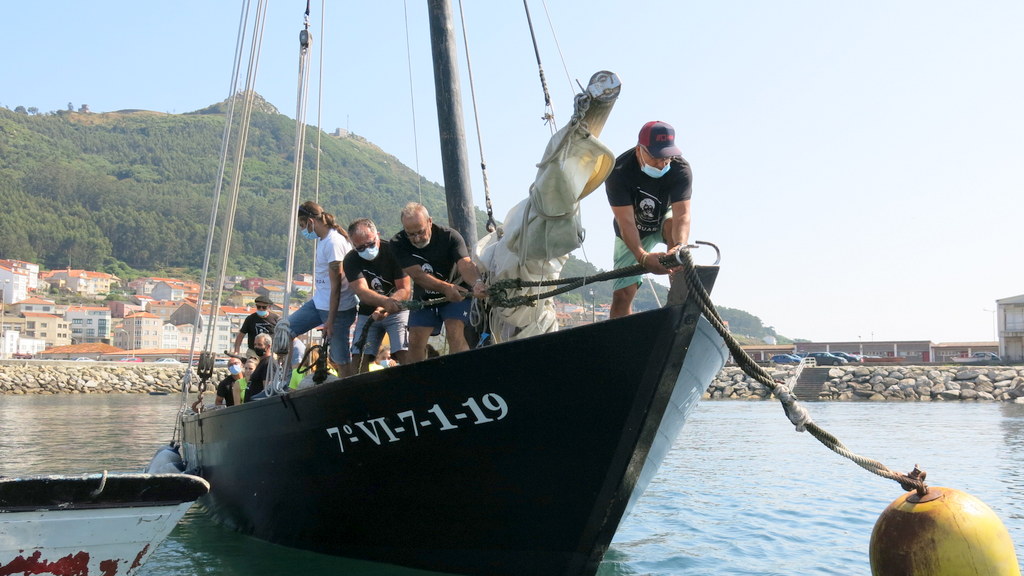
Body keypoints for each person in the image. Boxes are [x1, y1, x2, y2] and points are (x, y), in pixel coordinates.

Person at [605, 121, 692, 319]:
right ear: (639, 150)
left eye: (667, 157)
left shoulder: (680, 169)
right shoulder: (618, 172)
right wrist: (642, 256)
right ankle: (621, 334)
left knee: (674, 233)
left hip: (663, 218)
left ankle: (678, 300)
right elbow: (625, 221)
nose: (662, 163)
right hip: (632, 227)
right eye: (656, 158)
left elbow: (682, 214)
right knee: (622, 296)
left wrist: (679, 247)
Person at [390, 203, 487, 363]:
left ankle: (463, 372)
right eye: (411, 234)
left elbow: (465, 263)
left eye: (420, 232)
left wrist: (477, 283)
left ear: (430, 221)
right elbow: (418, 275)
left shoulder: (450, 236)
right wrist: (445, 288)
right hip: (426, 296)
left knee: (454, 330)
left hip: (458, 293)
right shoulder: (398, 242)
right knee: (415, 339)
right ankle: (417, 376)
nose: (417, 238)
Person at [286, 200, 359, 377]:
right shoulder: (324, 239)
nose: (303, 230)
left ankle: (347, 388)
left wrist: (330, 321)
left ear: (311, 221)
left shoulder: (334, 243)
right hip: (320, 303)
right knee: (285, 330)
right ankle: (284, 380)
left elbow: (337, 287)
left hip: (338, 309)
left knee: (340, 359)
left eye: (302, 225)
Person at [343, 218, 411, 372]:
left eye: (370, 244)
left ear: (377, 236)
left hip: (398, 309)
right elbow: (362, 292)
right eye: (360, 248)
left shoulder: (394, 252)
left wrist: (387, 305)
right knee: (358, 360)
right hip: (368, 313)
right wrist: (384, 303)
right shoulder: (351, 260)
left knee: (404, 352)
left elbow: (404, 289)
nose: (367, 250)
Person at [244, 333, 273, 402]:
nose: (256, 347)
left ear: (268, 346)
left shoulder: (268, 363)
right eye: (255, 344)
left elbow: (267, 391)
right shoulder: (261, 362)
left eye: (259, 345)